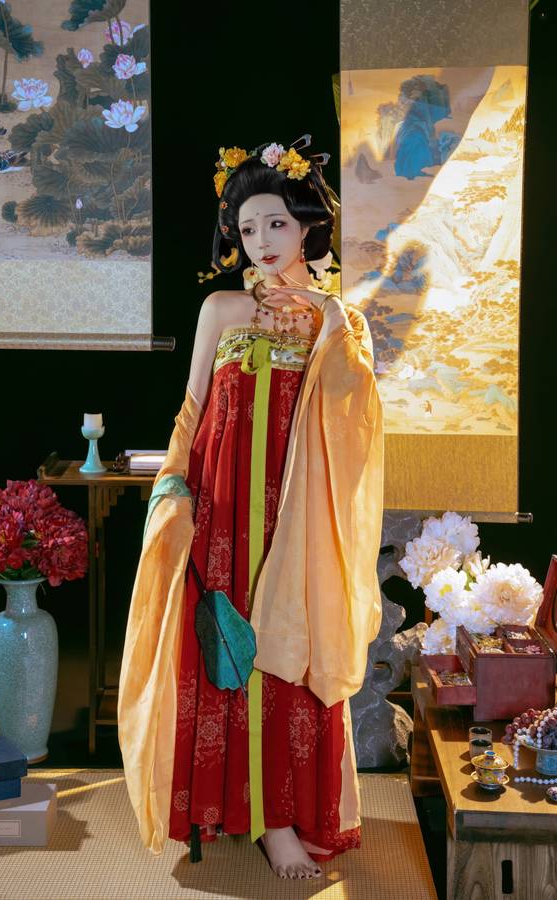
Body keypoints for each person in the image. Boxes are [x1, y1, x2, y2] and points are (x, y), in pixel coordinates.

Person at [118, 136, 385, 881]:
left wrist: (329, 320)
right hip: (224, 509)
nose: (261, 241)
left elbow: (357, 417)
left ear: (305, 227)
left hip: (296, 517)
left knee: (286, 647)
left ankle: (284, 817)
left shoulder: (335, 319)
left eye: (276, 224)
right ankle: (245, 812)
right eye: (247, 229)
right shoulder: (222, 307)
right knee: (227, 646)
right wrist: (175, 488)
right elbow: (193, 408)